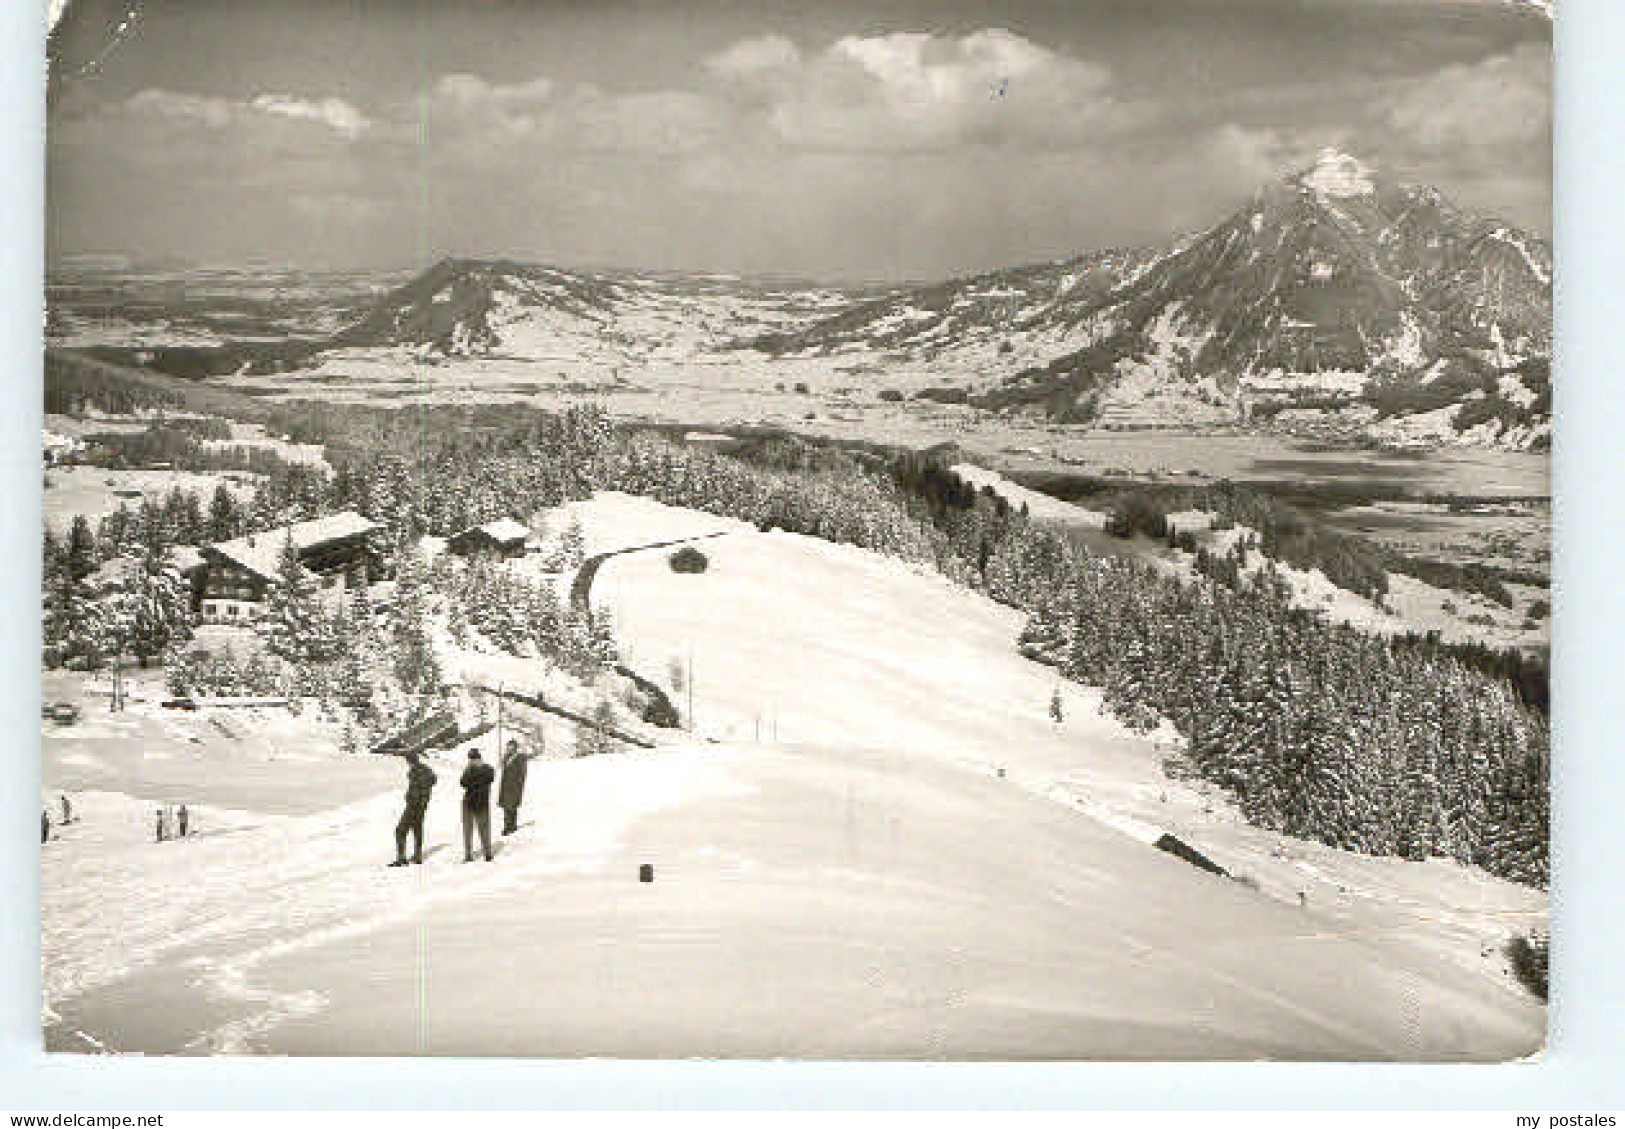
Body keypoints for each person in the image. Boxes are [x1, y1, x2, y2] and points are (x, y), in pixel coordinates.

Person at [390, 751, 436, 867]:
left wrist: (409, 798)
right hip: (423, 805)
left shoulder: (415, 771)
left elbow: (416, 789)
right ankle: (418, 856)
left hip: (414, 805)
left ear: (410, 761)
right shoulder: (427, 770)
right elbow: (430, 783)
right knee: (417, 828)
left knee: (400, 830)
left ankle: (401, 859)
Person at [459, 748, 496, 862]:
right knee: (467, 830)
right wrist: (470, 771)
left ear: (479, 758)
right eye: (471, 759)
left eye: (474, 758)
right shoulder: (469, 770)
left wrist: (472, 774)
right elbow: (463, 782)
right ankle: (468, 854)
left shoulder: (488, 769)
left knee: (484, 829)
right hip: (469, 803)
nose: (472, 761)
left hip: (481, 803)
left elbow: (485, 780)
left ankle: (488, 853)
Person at [497, 736, 538, 835]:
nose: (509, 749)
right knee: (506, 807)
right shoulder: (506, 758)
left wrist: (519, 785)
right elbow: (504, 771)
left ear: (515, 748)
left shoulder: (520, 758)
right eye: (508, 747)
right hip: (505, 786)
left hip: (515, 786)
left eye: (511, 747)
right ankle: (508, 825)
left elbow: (522, 773)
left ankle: (510, 826)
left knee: (511, 806)